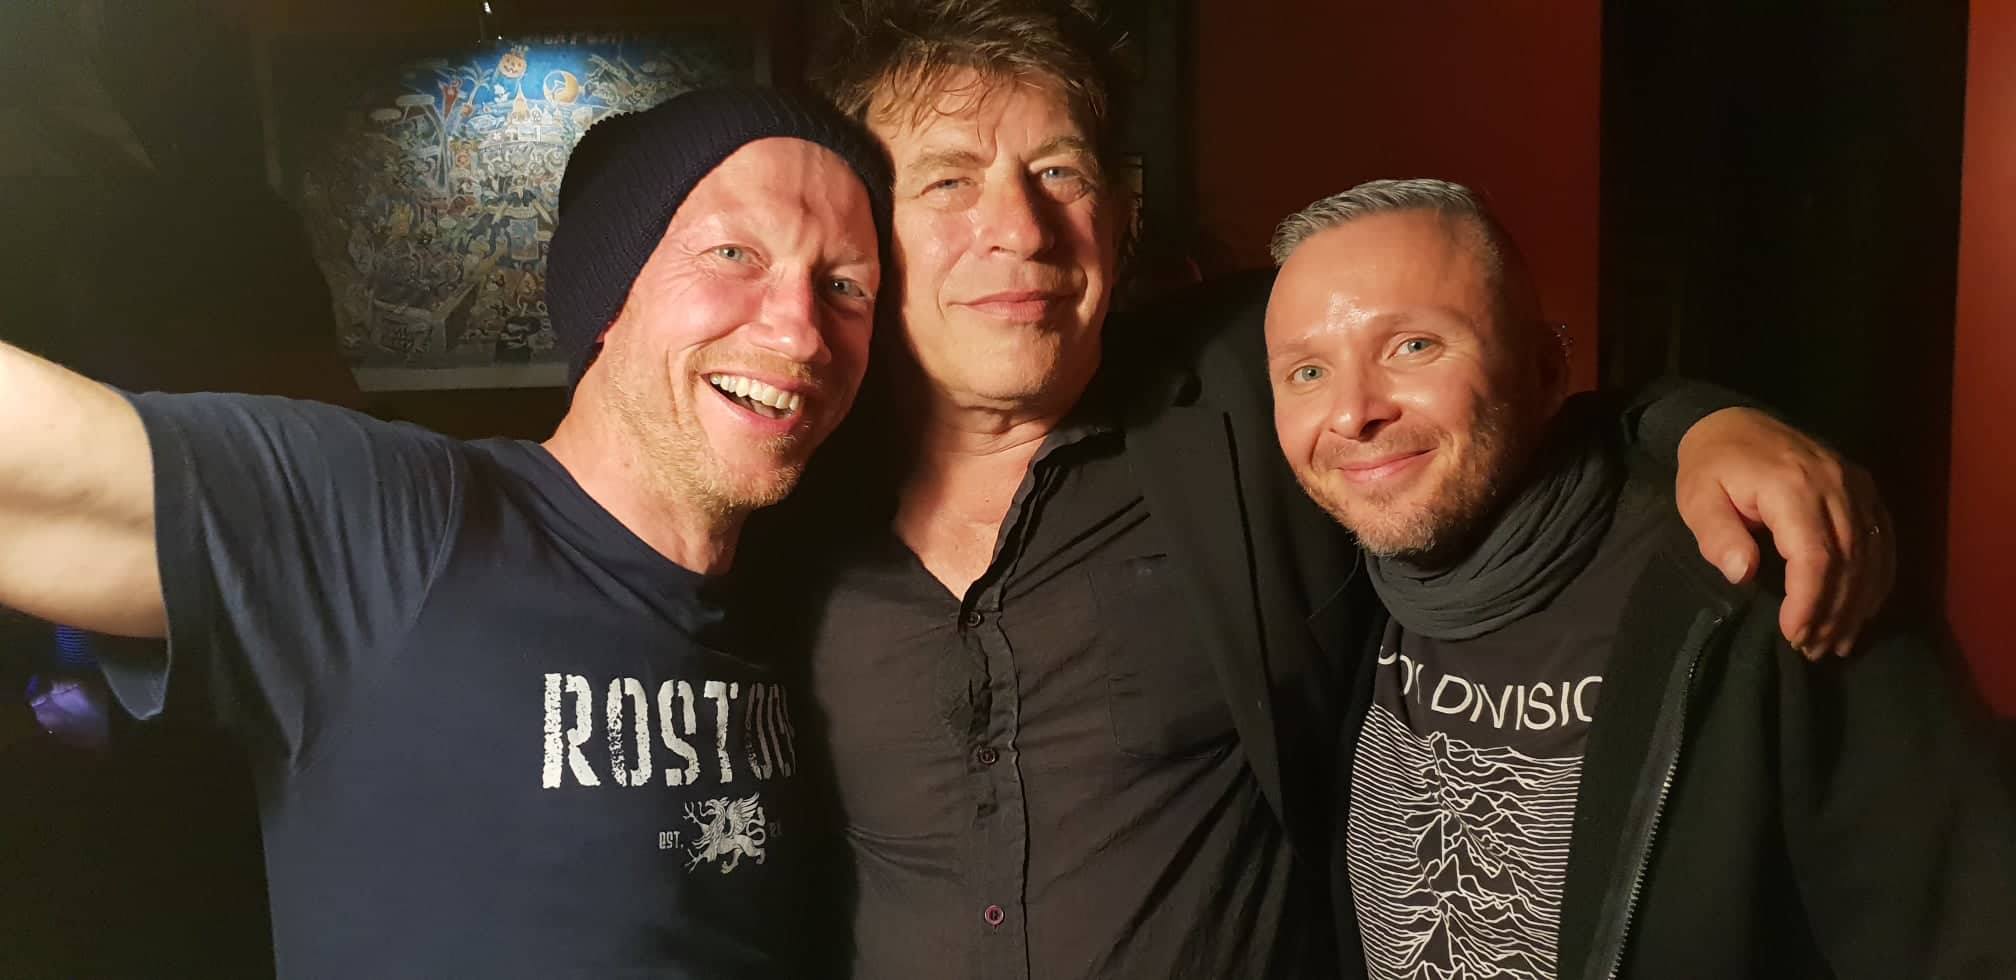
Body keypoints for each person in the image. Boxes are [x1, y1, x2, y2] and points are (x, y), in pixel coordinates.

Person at [732, 3, 1897, 977]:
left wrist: (1699, 423)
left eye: (1059, 171)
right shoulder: (781, 481)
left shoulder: (1250, 380)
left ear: (1118, 219)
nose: (1018, 228)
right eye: (947, 180)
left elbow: (1479, 385)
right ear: (867, 231)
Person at [0, 86, 891, 977]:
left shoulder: (805, 603)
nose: (803, 334)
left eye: (845, 286)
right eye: (734, 253)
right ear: (612, 295)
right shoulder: (398, 522)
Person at [1266, 178, 2016, 979]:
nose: (1352, 413)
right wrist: (1695, 417)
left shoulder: (1758, 575)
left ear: (1545, 369)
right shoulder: (1333, 586)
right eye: (1307, 372)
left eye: (1413, 346)